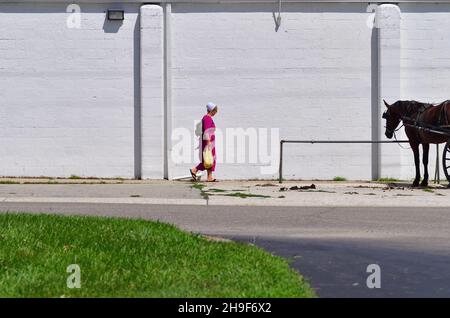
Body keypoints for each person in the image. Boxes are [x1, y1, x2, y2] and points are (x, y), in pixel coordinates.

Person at [190, 102, 218, 182]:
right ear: (212, 110)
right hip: (208, 142)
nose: (216, 113)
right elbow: (207, 131)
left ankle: (208, 176)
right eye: (215, 111)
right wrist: (209, 142)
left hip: (209, 142)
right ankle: (195, 170)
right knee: (208, 160)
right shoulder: (207, 118)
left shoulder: (207, 118)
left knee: (209, 159)